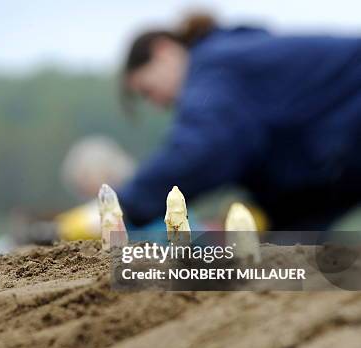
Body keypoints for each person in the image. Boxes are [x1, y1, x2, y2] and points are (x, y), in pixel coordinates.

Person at [117, 13, 361, 230]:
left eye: (148, 90)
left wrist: (122, 208)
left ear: (163, 51)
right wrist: (259, 216)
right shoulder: (235, 60)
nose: (157, 104)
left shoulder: (214, 65)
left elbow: (205, 149)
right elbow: (306, 185)